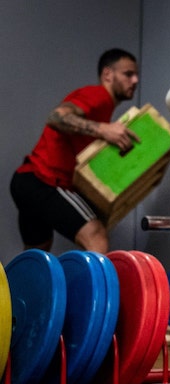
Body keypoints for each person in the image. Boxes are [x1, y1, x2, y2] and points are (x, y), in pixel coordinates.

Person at [9, 48, 140, 253]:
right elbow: (56, 117)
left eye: (136, 75)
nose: (135, 80)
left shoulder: (104, 110)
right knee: (96, 236)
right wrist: (103, 129)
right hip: (45, 181)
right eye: (128, 74)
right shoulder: (98, 96)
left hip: (27, 181)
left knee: (36, 258)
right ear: (107, 74)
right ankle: (98, 287)